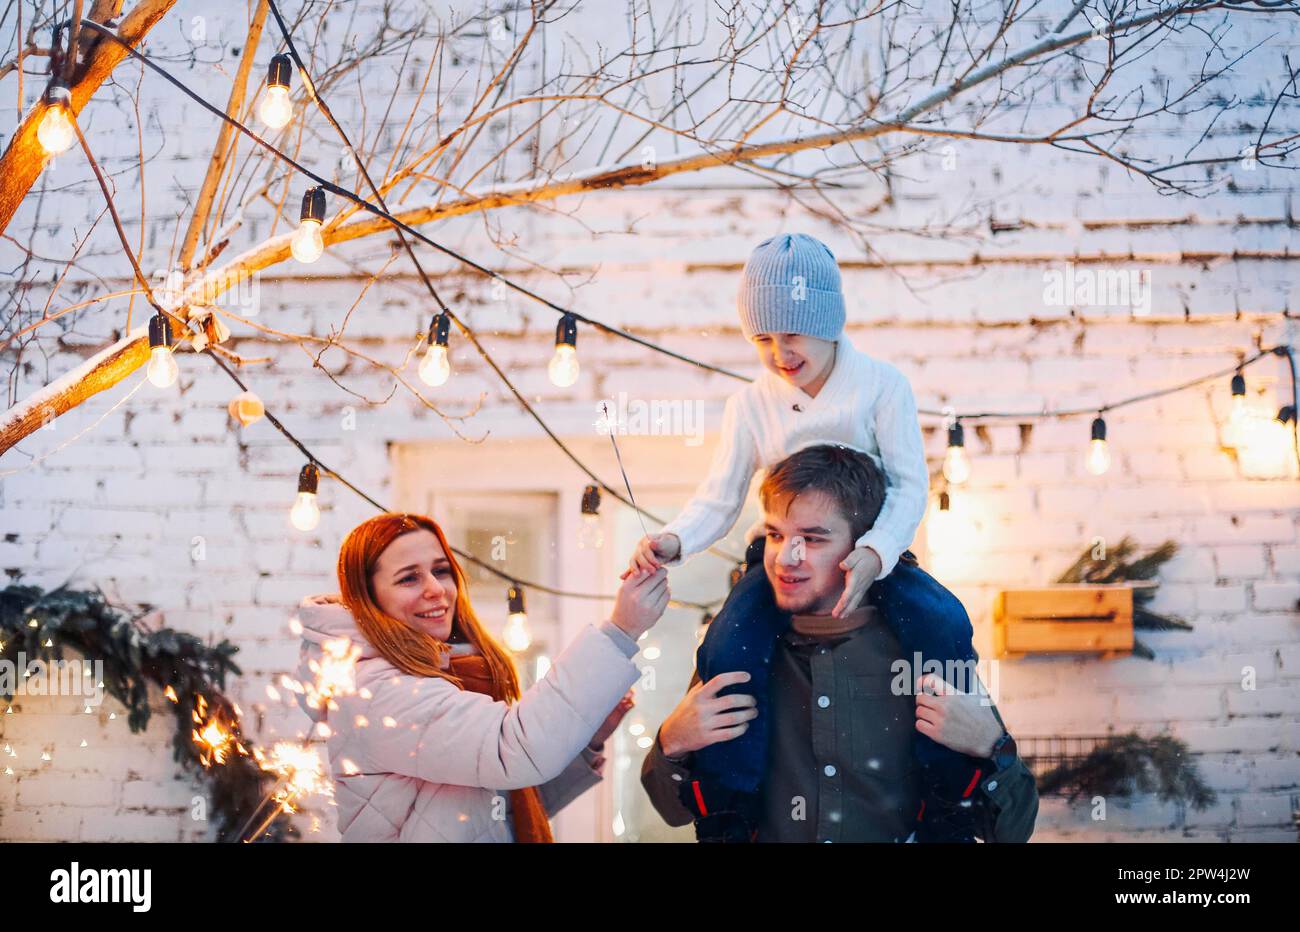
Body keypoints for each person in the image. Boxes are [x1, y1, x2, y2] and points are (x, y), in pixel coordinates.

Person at [624, 233, 980, 840]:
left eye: (791, 334)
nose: (779, 352)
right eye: (762, 338)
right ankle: (732, 793)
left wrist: (873, 553)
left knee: (943, 625)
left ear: (829, 324)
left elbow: (909, 486)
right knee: (726, 645)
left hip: (878, 550)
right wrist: (674, 542)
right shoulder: (751, 404)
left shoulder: (881, 385)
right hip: (782, 556)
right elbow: (720, 495)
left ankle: (949, 782)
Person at [640, 445, 1038, 842]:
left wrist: (993, 747)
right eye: (777, 535)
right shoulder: (737, 654)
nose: (785, 558)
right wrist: (672, 742)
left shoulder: (925, 654)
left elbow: (1010, 832)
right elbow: (671, 811)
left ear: (864, 548)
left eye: (812, 539)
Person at [296, 512, 669, 842]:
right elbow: (514, 749)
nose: (436, 589)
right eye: (409, 578)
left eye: (441, 570)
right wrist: (621, 631)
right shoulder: (379, 692)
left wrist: (588, 741)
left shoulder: (448, 674)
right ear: (369, 599)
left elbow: (498, 812)